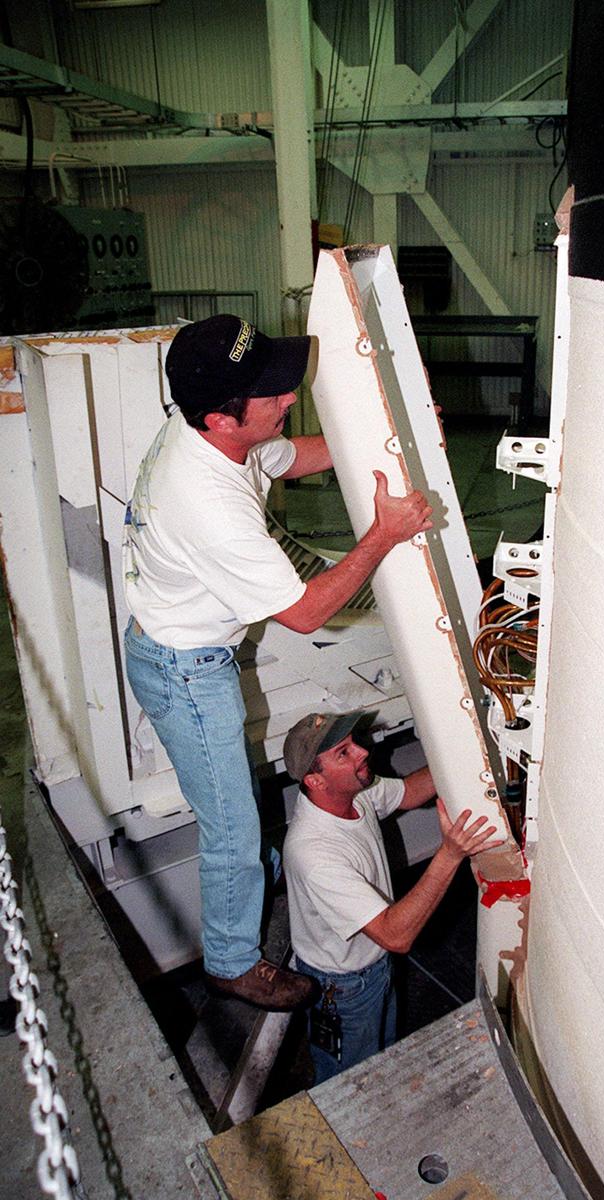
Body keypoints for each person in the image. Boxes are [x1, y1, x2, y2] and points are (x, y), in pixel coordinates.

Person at [122, 314, 432, 1012]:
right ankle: (232, 962)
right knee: (230, 826)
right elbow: (303, 613)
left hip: (177, 646)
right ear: (221, 417)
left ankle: (249, 892)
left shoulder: (212, 439)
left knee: (235, 816)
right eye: (270, 393)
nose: (288, 397)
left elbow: (289, 456)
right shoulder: (206, 502)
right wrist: (382, 535)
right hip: (186, 670)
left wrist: (386, 440)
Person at [281, 710, 502, 1082]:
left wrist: (467, 749)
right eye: (343, 753)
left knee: (381, 1063)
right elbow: (396, 936)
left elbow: (410, 792)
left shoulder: (355, 792)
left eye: (353, 743)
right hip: (344, 988)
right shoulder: (314, 852)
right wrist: (449, 854)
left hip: (375, 966)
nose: (361, 753)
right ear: (316, 781)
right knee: (348, 1084)